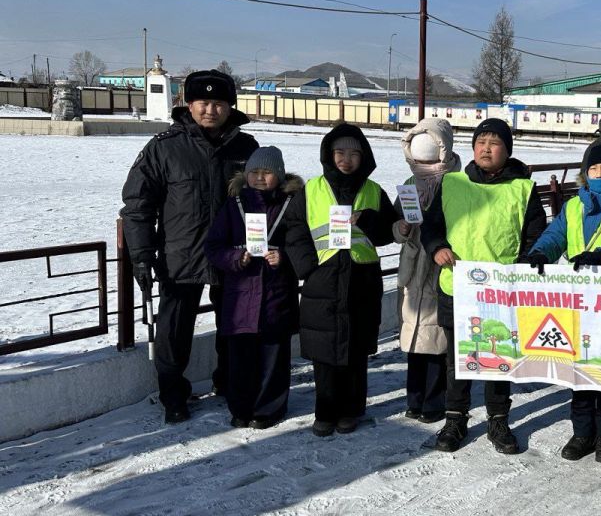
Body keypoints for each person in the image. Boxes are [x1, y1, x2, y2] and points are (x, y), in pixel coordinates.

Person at [121, 69, 259, 424]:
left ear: (230, 106)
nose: (210, 110)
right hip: (180, 256)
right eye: (203, 102)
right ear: (189, 104)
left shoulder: (247, 148)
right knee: (173, 332)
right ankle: (173, 395)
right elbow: (138, 205)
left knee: (234, 326)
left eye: (218, 103)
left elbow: (265, 201)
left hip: (234, 255)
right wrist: (141, 255)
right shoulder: (164, 147)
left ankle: (230, 384)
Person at [421, 118, 547, 454]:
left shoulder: (523, 188)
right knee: (457, 360)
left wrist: (523, 265)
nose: (486, 148)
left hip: (500, 291)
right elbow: (431, 227)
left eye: (494, 143)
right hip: (456, 285)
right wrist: (437, 248)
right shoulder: (452, 183)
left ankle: (498, 420)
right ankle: (455, 418)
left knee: (498, 356)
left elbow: (536, 234)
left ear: (507, 150)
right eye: (480, 142)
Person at [523, 140, 601, 463]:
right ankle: (582, 433)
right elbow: (555, 236)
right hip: (576, 302)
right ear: (585, 172)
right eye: (593, 168)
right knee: (578, 373)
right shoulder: (573, 206)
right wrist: (539, 253)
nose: (600, 173)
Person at [283, 124, 399, 437]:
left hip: (362, 279)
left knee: (355, 351)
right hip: (324, 280)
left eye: (353, 153)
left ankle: (351, 410)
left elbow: (389, 231)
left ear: (364, 157)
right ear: (328, 155)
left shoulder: (374, 191)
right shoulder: (312, 189)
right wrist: (308, 267)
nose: (346, 159)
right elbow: (294, 230)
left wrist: (369, 220)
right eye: (339, 152)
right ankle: (325, 411)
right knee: (325, 353)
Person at [204, 146, 301, 429]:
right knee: (240, 360)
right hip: (240, 299)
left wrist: (283, 257)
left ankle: (269, 409)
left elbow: (302, 244)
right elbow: (213, 246)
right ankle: (241, 408)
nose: (260, 178)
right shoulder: (233, 205)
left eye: (267, 172)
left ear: (279, 176)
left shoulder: (291, 204)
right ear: (245, 175)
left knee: (274, 358)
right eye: (254, 172)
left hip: (276, 295)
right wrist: (236, 258)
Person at [394, 118, 461, 424]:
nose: (423, 165)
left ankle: (434, 401)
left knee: (437, 339)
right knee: (414, 335)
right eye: (417, 160)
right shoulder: (410, 186)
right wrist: (402, 227)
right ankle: (414, 398)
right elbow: (395, 226)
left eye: (429, 159)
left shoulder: (457, 184)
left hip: (440, 265)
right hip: (412, 268)